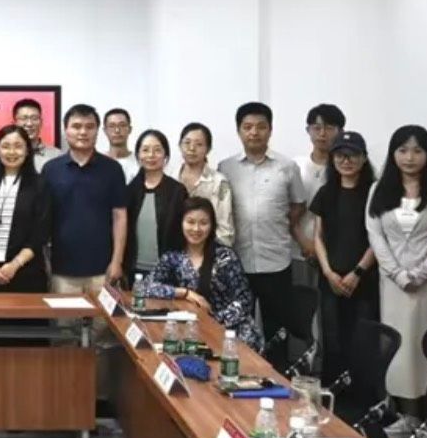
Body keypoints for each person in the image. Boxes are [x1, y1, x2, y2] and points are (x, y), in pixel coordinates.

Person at [365, 125, 427, 438]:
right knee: (397, 350)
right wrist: (396, 273)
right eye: (403, 150)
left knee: (424, 351)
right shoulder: (378, 189)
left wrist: (420, 273)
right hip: (393, 286)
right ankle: (403, 415)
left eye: (417, 150)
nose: (410, 157)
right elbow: (375, 235)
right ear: (393, 153)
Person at [218, 102, 307, 364]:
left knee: (277, 329)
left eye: (260, 127)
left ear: (270, 130)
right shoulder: (225, 168)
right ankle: (240, 373)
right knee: (236, 327)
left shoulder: (287, 167)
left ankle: (277, 376)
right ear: (239, 131)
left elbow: (298, 205)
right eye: (247, 127)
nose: (254, 132)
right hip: (238, 261)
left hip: (275, 260)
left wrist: (276, 225)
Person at [139, 196, 262, 348]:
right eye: (190, 222)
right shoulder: (173, 257)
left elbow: (244, 301)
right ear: (181, 223)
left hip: (230, 333)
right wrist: (184, 293)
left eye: (203, 223)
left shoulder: (225, 257)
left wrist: (212, 322)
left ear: (212, 226)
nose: (196, 229)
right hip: (191, 331)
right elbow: (144, 287)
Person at [310, 131, 378, 385]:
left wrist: (357, 272)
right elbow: (318, 236)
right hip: (331, 280)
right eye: (340, 155)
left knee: (361, 341)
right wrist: (328, 272)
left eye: (352, 155)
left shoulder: (374, 193)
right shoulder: (326, 193)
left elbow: (378, 239)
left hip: (364, 280)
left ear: (364, 158)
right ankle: (333, 396)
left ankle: (360, 398)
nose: (346, 161)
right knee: (332, 340)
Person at [42, 104, 128, 295]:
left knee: (104, 316)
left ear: (97, 131)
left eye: (89, 127)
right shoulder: (51, 169)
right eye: (76, 126)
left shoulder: (112, 169)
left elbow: (120, 216)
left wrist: (117, 261)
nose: (83, 132)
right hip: (62, 270)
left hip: (103, 269)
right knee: (64, 316)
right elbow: (43, 219)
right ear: (66, 130)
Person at [0, 125, 51, 295]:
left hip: (26, 274)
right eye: (5, 146)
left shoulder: (40, 185)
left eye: (18, 146)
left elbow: (40, 234)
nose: (12, 152)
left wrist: (14, 265)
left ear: (27, 151)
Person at [123, 129, 186, 284]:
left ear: (166, 155)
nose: (151, 155)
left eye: (157, 150)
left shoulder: (177, 191)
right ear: (138, 155)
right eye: (145, 150)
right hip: (132, 270)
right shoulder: (130, 190)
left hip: (168, 271)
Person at [294, 104, 345, 287]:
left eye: (329, 128)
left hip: (337, 254)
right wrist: (304, 243)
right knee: (302, 301)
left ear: (340, 131)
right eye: (317, 128)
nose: (322, 134)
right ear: (308, 130)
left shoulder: (347, 168)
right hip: (299, 251)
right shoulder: (295, 166)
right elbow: (287, 212)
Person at [173, 122, 235, 246]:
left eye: (199, 144)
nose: (192, 148)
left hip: (209, 250)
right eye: (187, 143)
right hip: (174, 250)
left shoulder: (218, 181)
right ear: (180, 145)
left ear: (208, 149)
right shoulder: (170, 178)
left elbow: (225, 230)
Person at [13, 98, 62, 170]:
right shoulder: (7, 155)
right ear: (15, 123)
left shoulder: (56, 156)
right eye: (24, 118)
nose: (29, 124)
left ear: (41, 122)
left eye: (34, 118)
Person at [103, 108, 139, 182]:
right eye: (112, 126)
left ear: (130, 129)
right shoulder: (98, 162)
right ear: (105, 131)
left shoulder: (140, 162)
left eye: (122, 125)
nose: (117, 130)